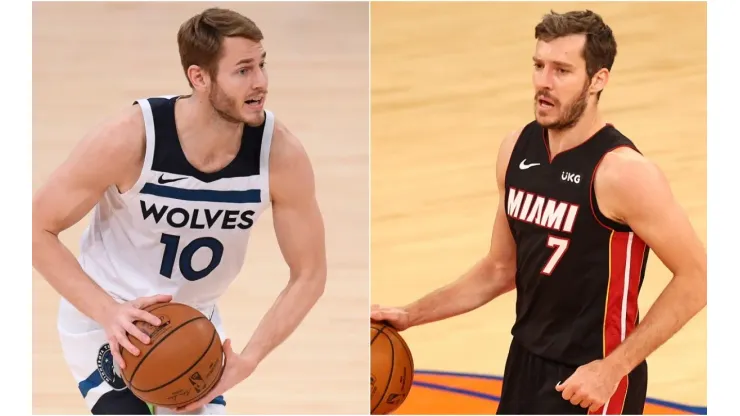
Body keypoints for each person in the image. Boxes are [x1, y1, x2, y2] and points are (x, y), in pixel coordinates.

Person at [371, 9, 706, 415]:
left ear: (598, 80)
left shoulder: (623, 173)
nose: (543, 82)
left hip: (594, 381)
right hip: (525, 365)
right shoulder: (517, 149)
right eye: (538, 65)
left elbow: (698, 277)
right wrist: (411, 314)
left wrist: (613, 368)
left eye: (562, 70)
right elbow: (499, 269)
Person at [32, 7, 327, 415]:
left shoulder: (280, 155)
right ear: (199, 77)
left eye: (261, 65)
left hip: (191, 330)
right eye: (242, 70)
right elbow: (34, 228)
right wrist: (108, 311)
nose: (260, 82)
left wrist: (250, 357)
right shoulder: (131, 138)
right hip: (111, 320)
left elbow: (309, 274)